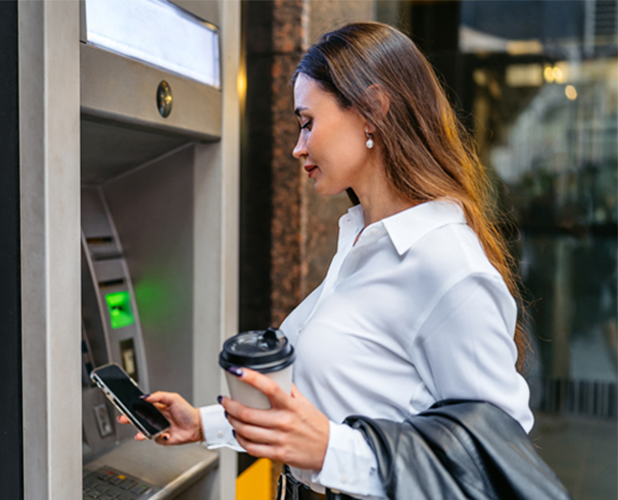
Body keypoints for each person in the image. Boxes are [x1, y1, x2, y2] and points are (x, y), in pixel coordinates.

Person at [121, 22, 533, 499]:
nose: (298, 147)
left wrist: (329, 451)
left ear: (373, 110)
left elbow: (495, 460)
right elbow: (323, 402)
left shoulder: (446, 264)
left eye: (307, 122)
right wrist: (204, 423)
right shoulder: (363, 241)